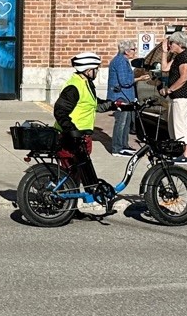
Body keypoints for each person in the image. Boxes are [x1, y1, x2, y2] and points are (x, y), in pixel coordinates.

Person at [53, 52, 121, 207]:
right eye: (96, 69)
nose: (97, 72)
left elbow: (93, 104)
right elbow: (60, 111)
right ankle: (66, 208)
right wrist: (71, 131)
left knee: (77, 174)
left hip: (81, 137)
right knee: (70, 174)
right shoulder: (74, 86)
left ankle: (72, 207)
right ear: (88, 70)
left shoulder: (85, 84)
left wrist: (115, 104)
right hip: (71, 137)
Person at [160, 31, 187, 163]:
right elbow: (164, 69)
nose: (170, 46)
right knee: (173, 124)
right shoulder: (178, 56)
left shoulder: (186, 56)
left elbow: (184, 77)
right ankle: (180, 151)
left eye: (171, 43)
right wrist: (165, 52)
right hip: (176, 96)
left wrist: (169, 90)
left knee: (180, 124)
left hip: (183, 95)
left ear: (179, 43)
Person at [107, 39, 149, 156]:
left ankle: (124, 145)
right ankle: (117, 148)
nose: (135, 51)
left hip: (126, 96)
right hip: (120, 97)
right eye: (133, 49)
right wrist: (140, 79)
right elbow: (125, 81)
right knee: (121, 122)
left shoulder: (123, 61)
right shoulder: (120, 61)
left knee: (126, 123)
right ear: (126, 51)